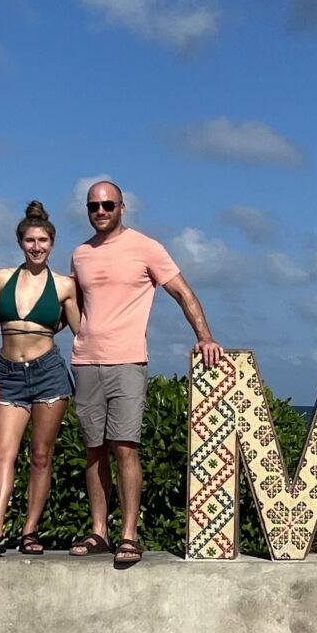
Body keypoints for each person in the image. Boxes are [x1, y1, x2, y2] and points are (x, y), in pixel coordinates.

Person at [68, 180, 224, 568]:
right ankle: (99, 532)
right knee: (93, 451)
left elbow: (183, 293)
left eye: (107, 205)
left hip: (128, 360)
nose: (100, 212)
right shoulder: (79, 254)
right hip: (85, 361)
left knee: (125, 447)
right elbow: (74, 306)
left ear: (123, 207)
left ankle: (129, 535)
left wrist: (205, 337)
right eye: (93, 206)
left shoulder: (147, 248)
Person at [0, 201, 79, 562]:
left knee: (41, 457)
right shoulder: (1, 278)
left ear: (52, 242)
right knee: (2, 453)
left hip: (49, 373)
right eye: (30, 240)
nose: (36, 246)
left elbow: (83, 331)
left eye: (43, 240)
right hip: (9, 375)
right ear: (20, 242)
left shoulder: (64, 285)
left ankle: (30, 531)